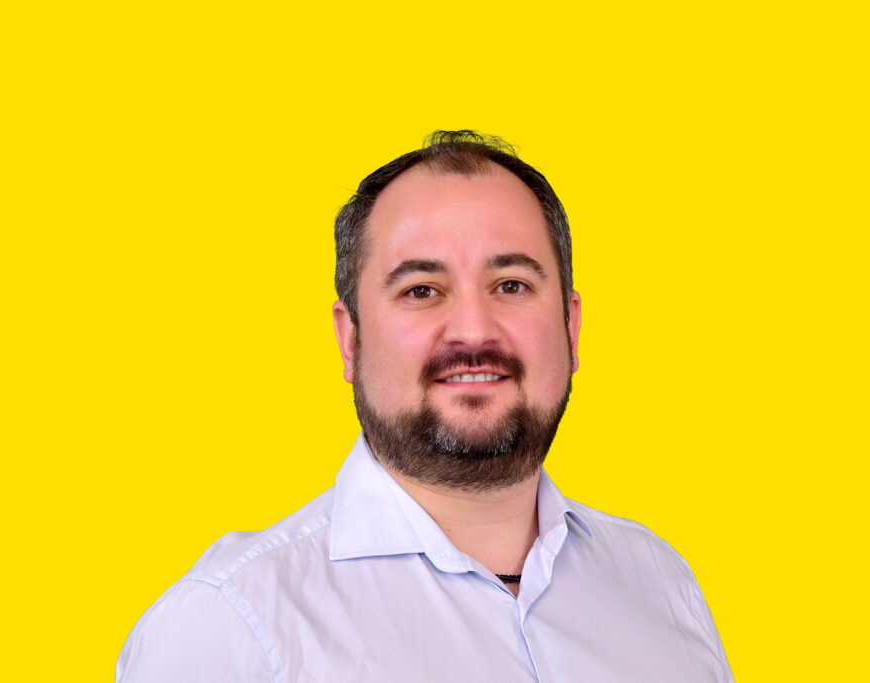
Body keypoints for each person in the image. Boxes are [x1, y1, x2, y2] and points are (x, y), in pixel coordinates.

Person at [116, 131, 734, 682]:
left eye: (511, 285)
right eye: (421, 290)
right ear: (350, 339)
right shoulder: (230, 624)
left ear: (571, 328)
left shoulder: (661, 584)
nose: (473, 330)